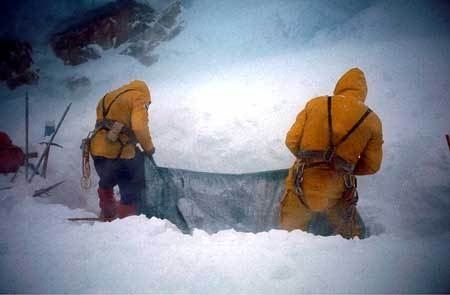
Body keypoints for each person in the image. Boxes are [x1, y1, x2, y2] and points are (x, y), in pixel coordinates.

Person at [280, 68, 383, 239]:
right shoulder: (372, 121)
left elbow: (291, 140)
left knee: (289, 236)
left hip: (302, 180)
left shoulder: (316, 104)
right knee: (351, 239)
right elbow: (372, 166)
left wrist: (309, 159)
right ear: (363, 93)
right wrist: (343, 167)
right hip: (337, 187)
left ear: (339, 87)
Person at [89, 80, 155, 219]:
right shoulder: (138, 97)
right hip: (118, 152)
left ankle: (108, 212)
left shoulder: (106, 97)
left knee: (106, 180)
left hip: (96, 149)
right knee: (130, 184)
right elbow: (139, 127)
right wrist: (148, 149)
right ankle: (127, 221)